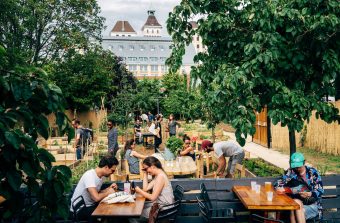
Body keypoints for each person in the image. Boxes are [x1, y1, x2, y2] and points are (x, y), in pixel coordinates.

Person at [275, 152, 323, 223]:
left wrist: (310, 194)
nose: (297, 169)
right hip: (295, 204)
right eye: (295, 167)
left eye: (299, 166)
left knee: (296, 208)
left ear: (304, 163)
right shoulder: (290, 172)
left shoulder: (312, 172)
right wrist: (282, 188)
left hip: (313, 205)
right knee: (295, 205)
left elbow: (320, 190)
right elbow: (277, 185)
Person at [70, 156, 119, 222]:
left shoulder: (101, 177)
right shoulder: (90, 176)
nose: (113, 173)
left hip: (89, 206)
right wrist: (108, 192)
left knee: (112, 212)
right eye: (112, 170)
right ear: (106, 167)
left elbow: (96, 192)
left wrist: (108, 189)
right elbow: (96, 198)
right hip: (80, 210)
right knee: (112, 214)